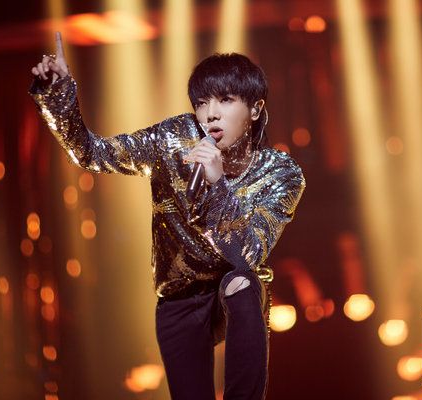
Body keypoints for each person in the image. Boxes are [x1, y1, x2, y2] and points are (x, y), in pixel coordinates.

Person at [28, 32, 305, 400]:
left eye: (225, 100)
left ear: (255, 109)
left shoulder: (281, 173)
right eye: (202, 103)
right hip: (179, 295)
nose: (211, 113)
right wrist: (57, 93)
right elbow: (93, 153)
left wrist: (218, 184)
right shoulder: (173, 138)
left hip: (234, 292)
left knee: (241, 282)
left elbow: (248, 252)